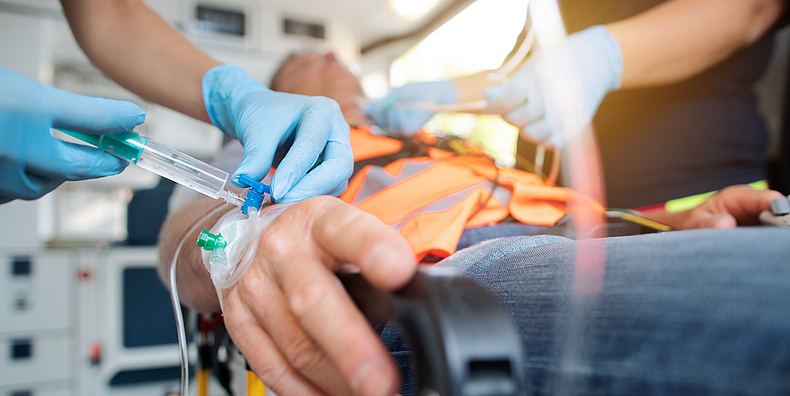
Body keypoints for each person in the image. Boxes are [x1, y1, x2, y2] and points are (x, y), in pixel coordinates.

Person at [159, 52, 790, 396]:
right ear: (281, 89)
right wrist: (236, 244)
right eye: (302, 62)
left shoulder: (439, 136)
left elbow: (559, 209)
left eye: (336, 56)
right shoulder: (274, 132)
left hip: (596, 236)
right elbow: (182, 238)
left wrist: (677, 220)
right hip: (455, 271)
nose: (327, 54)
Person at [367, 0, 788, 209]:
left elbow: (754, 7)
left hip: (696, 196)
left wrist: (604, 55)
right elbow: (525, 74)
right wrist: (442, 93)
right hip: (571, 215)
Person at [0, 0, 352, 204]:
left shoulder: (283, 125)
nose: (333, 59)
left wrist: (234, 94)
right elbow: (191, 229)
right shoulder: (252, 150)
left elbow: (110, 14)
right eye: (311, 64)